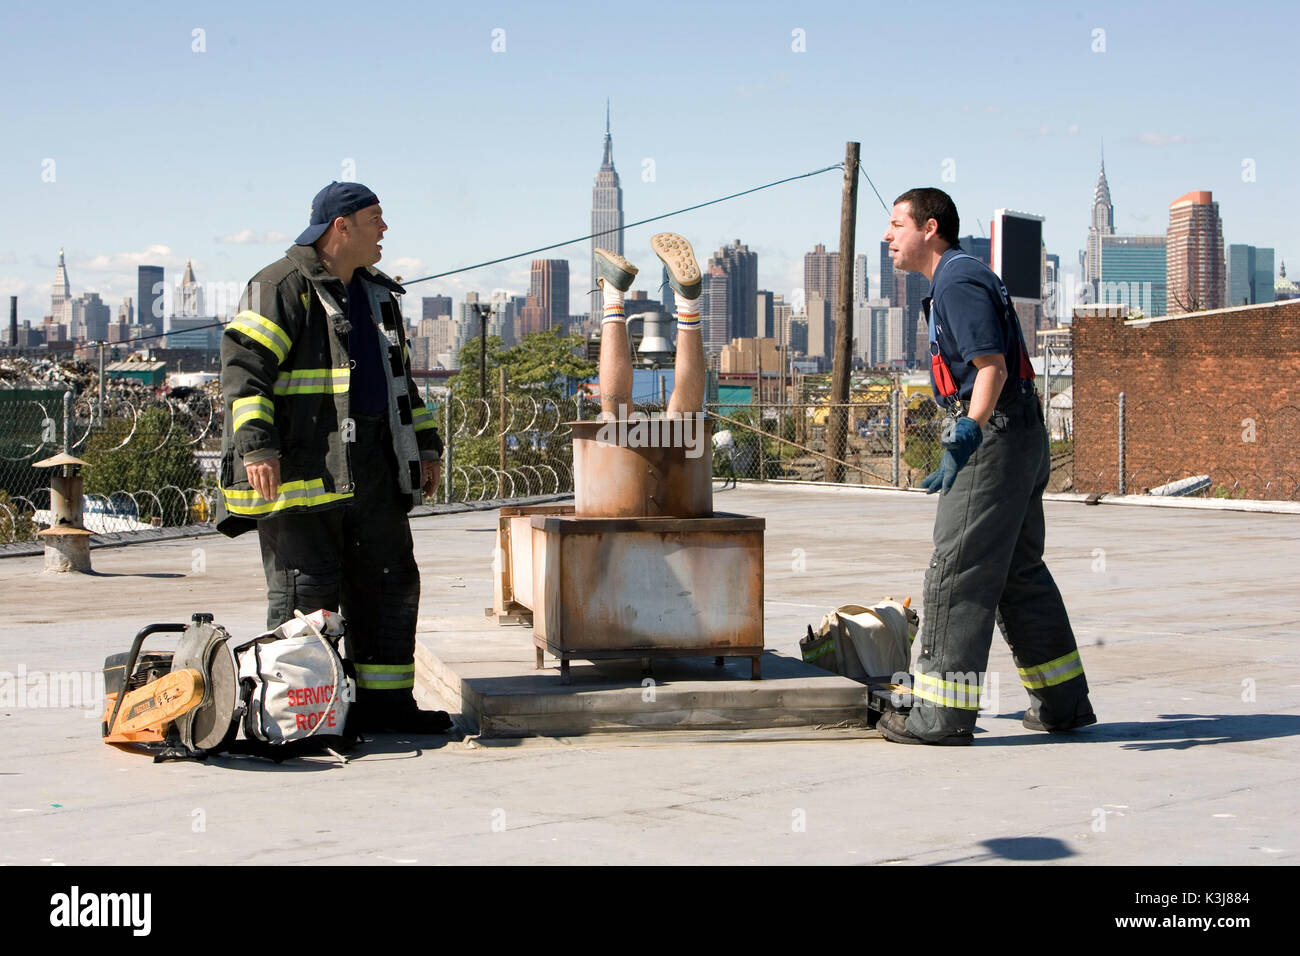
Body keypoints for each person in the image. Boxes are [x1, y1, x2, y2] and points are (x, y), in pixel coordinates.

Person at [216, 181, 452, 734]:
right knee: (307, 593)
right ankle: (308, 717)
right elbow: (244, 369)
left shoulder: (378, 295)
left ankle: (386, 708)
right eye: (376, 219)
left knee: (388, 583)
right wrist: (258, 446)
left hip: (374, 470)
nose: (385, 230)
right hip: (301, 471)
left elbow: (401, 387)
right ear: (340, 227)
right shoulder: (279, 286)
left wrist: (425, 446)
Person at [876, 187, 1096, 745]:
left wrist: (967, 434)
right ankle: (1062, 703)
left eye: (897, 224)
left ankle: (941, 716)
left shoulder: (956, 280)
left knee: (958, 571)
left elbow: (990, 366)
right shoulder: (962, 276)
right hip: (1019, 434)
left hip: (994, 438)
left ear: (929, 228)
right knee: (1018, 575)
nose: (888, 237)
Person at [593, 232, 704, 423]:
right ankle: (687, 303)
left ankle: (612, 290)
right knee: (686, 415)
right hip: (679, 449)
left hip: (628, 450)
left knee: (616, 416)